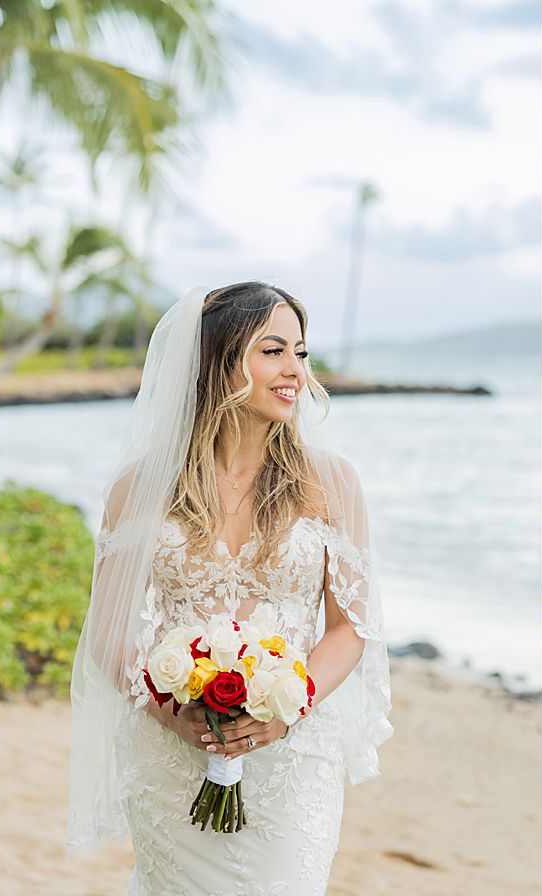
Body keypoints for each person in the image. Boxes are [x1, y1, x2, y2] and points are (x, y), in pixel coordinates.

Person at [66, 282, 393, 894]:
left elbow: (350, 627)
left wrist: (289, 706)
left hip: (292, 761)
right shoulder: (139, 488)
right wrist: (173, 714)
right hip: (171, 756)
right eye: (273, 350)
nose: (295, 370)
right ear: (218, 360)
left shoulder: (332, 482)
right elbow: (108, 632)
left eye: (300, 351)